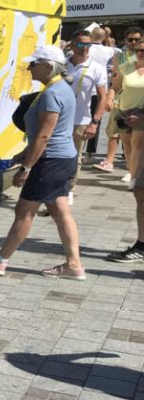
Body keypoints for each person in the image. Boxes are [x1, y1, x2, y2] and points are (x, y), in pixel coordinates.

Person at [0, 45, 84, 280]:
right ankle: (74, 265)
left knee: (24, 211)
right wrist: (25, 152)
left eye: (33, 64)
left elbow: (45, 135)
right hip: (61, 159)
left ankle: (0, 260)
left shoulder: (53, 93)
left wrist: (27, 167)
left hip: (50, 161)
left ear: (48, 67)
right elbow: (48, 133)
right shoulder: (59, 89)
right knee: (61, 211)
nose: (29, 67)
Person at [105, 40, 144, 262]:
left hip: (140, 119)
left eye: (143, 50)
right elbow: (115, 85)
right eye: (136, 49)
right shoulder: (127, 63)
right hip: (128, 116)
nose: (139, 53)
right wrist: (111, 100)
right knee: (139, 189)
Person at [65, 30, 109, 204]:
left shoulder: (96, 68)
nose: (85, 48)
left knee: (74, 157)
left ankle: (69, 188)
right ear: (72, 44)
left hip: (80, 120)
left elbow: (103, 97)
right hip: (57, 119)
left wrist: (95, 122)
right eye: (81, 44)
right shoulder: (62, 65)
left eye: (88, 44)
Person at [96, 27, 143, 176]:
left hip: (140, 110)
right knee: (119, 136)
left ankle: (133, 172)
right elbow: (116, 84)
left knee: (137, 142)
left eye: (137, 39)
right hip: (122, 104)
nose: (133, 43)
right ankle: (130, 170)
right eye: (131, 40)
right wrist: (110, 99)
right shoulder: (123, 58)